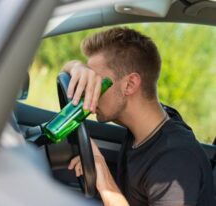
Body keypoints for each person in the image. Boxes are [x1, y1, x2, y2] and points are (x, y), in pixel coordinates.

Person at [64, 27, 216, 206]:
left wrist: (104, 179)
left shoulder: (175, 161)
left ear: (129, 84)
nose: (90, 92)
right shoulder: (149, 125)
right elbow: (66, 69)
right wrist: (77, 67)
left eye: (98, 83)